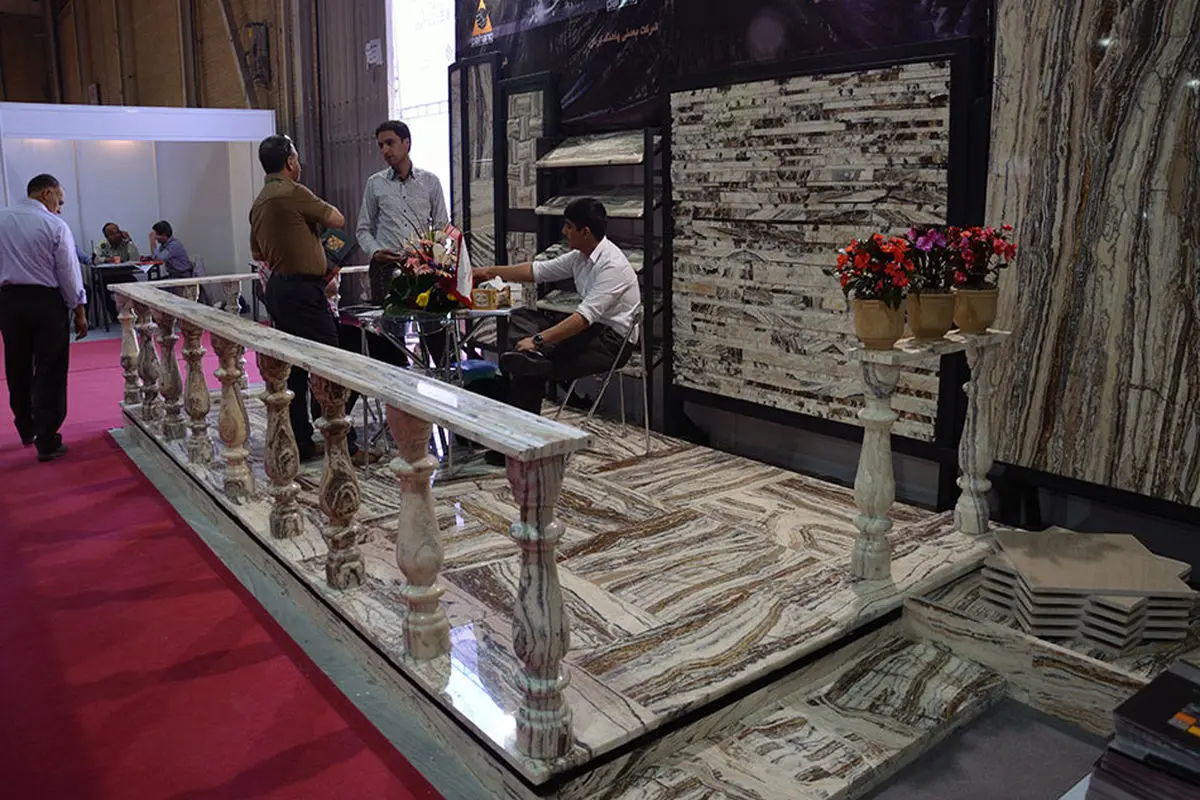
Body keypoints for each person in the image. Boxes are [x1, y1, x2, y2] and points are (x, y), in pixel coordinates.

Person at [250, 134, 364, 462]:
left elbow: (258, 253)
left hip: (280, 290)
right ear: (290, 161)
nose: (298, 163)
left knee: (296, 369)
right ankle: (344, 445)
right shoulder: (293, 191)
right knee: (331, 364)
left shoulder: (259, 203)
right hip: (303, 291)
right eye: (296, 158)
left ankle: (301, 439)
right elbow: (338, 219)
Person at [474, 198, 639, 419]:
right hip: (589, 330)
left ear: (585, 232)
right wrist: (489, 272)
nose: (564, 231)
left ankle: (521, 417)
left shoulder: (612, 266)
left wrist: (537, 340)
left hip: (611, 342)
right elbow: (537, 271)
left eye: (569, 226)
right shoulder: (580, 257)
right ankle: (522, 368)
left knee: (533, 362)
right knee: (523, 318)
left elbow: (582, 318)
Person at [0, 173, 88, 462]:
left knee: (17, 364)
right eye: (59, 201)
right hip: (45, 302)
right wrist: (79, 308)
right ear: (47, 194)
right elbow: (68, 272)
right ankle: (47, 439)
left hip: (9, 301)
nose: (59, 208)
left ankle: (26, 427)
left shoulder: (2, 219)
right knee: (50, 368)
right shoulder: (54, 225)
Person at [356, 120, 450, 368]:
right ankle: (396, 386)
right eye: (381, 146)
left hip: (425, 270)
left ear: (406, 143)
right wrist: (376, 251)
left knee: (434, 332)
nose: (385, 150)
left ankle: (445, 382)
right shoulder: (375, 183)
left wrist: (431, 253)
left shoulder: (430, 182)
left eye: (390, 143)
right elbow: (362, 230)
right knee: (391, 340)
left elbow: (443, 227)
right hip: (387, 269)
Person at [94, 222, 140, 320]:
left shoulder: (126, 243)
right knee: (102, 290)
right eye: (112, 234)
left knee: (138, 287)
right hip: (108, 277)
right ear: (107, 237)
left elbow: (135, 259)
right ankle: (115, 318)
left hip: (125, 275)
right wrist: (107, 260)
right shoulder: (102, 245)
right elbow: (97, 260)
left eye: (118, 232)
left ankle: (138, 315)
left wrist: (129, 241)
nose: (117, 235)